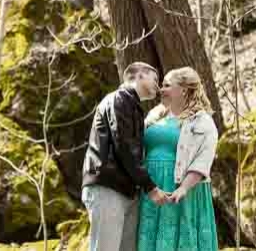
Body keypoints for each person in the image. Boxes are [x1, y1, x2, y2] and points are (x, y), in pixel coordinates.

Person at [82, 61, 170, 251]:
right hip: (108, 186)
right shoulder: (119, 99)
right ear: (139, 76)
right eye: (154, 79)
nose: (158, 85)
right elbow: (124, 145)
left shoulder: (132, 106)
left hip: (126, 190)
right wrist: (150, 187)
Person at [136, 67, 219, 250]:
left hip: (181, 190)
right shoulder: (154, 116)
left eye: (166, 85)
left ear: (183, 89)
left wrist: (184, 188)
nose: (160, 89)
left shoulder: (202, 121)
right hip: (151, 188)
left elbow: (203, 159)